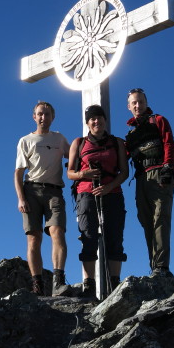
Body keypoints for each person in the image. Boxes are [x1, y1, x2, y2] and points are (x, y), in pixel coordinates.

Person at [67, 105, 128, 299]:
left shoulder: (117, 142)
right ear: (87, 123)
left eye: (99, 118)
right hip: (86, 193)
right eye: (92, 119)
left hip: (113, 193)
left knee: (115, 238)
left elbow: (124, 172)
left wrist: (109, 187)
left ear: (105, 120)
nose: (96, 122)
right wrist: (83, 174)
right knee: (88, 238)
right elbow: (69, 173)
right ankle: (89, 286)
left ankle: (114, 284)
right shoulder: (79, 143)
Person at [14, 101, 71, 296]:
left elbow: (74, 156)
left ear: (52, 117)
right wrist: (21, 198)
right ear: (34, 116)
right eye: (40, 114)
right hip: (31, 191)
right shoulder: (25, 141)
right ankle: (37, 285)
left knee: (57, 232)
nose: (43, 117)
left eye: (47, 114)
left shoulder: (59, 139)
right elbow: (18, 173)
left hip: (54, 192)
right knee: (33, 239)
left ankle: (58, 281)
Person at [125, 88, 174, 277]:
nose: (137, 105)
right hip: (141, 179)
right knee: (147, 221)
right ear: (129, 106)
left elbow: (168, 143)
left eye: (140, 102)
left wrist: (167, 168)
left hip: (159, 173)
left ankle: (162, 267)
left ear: (146, 103)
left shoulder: (159, 120)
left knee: (160, 218)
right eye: (134, 103)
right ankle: (154, 264)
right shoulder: (131, 134)